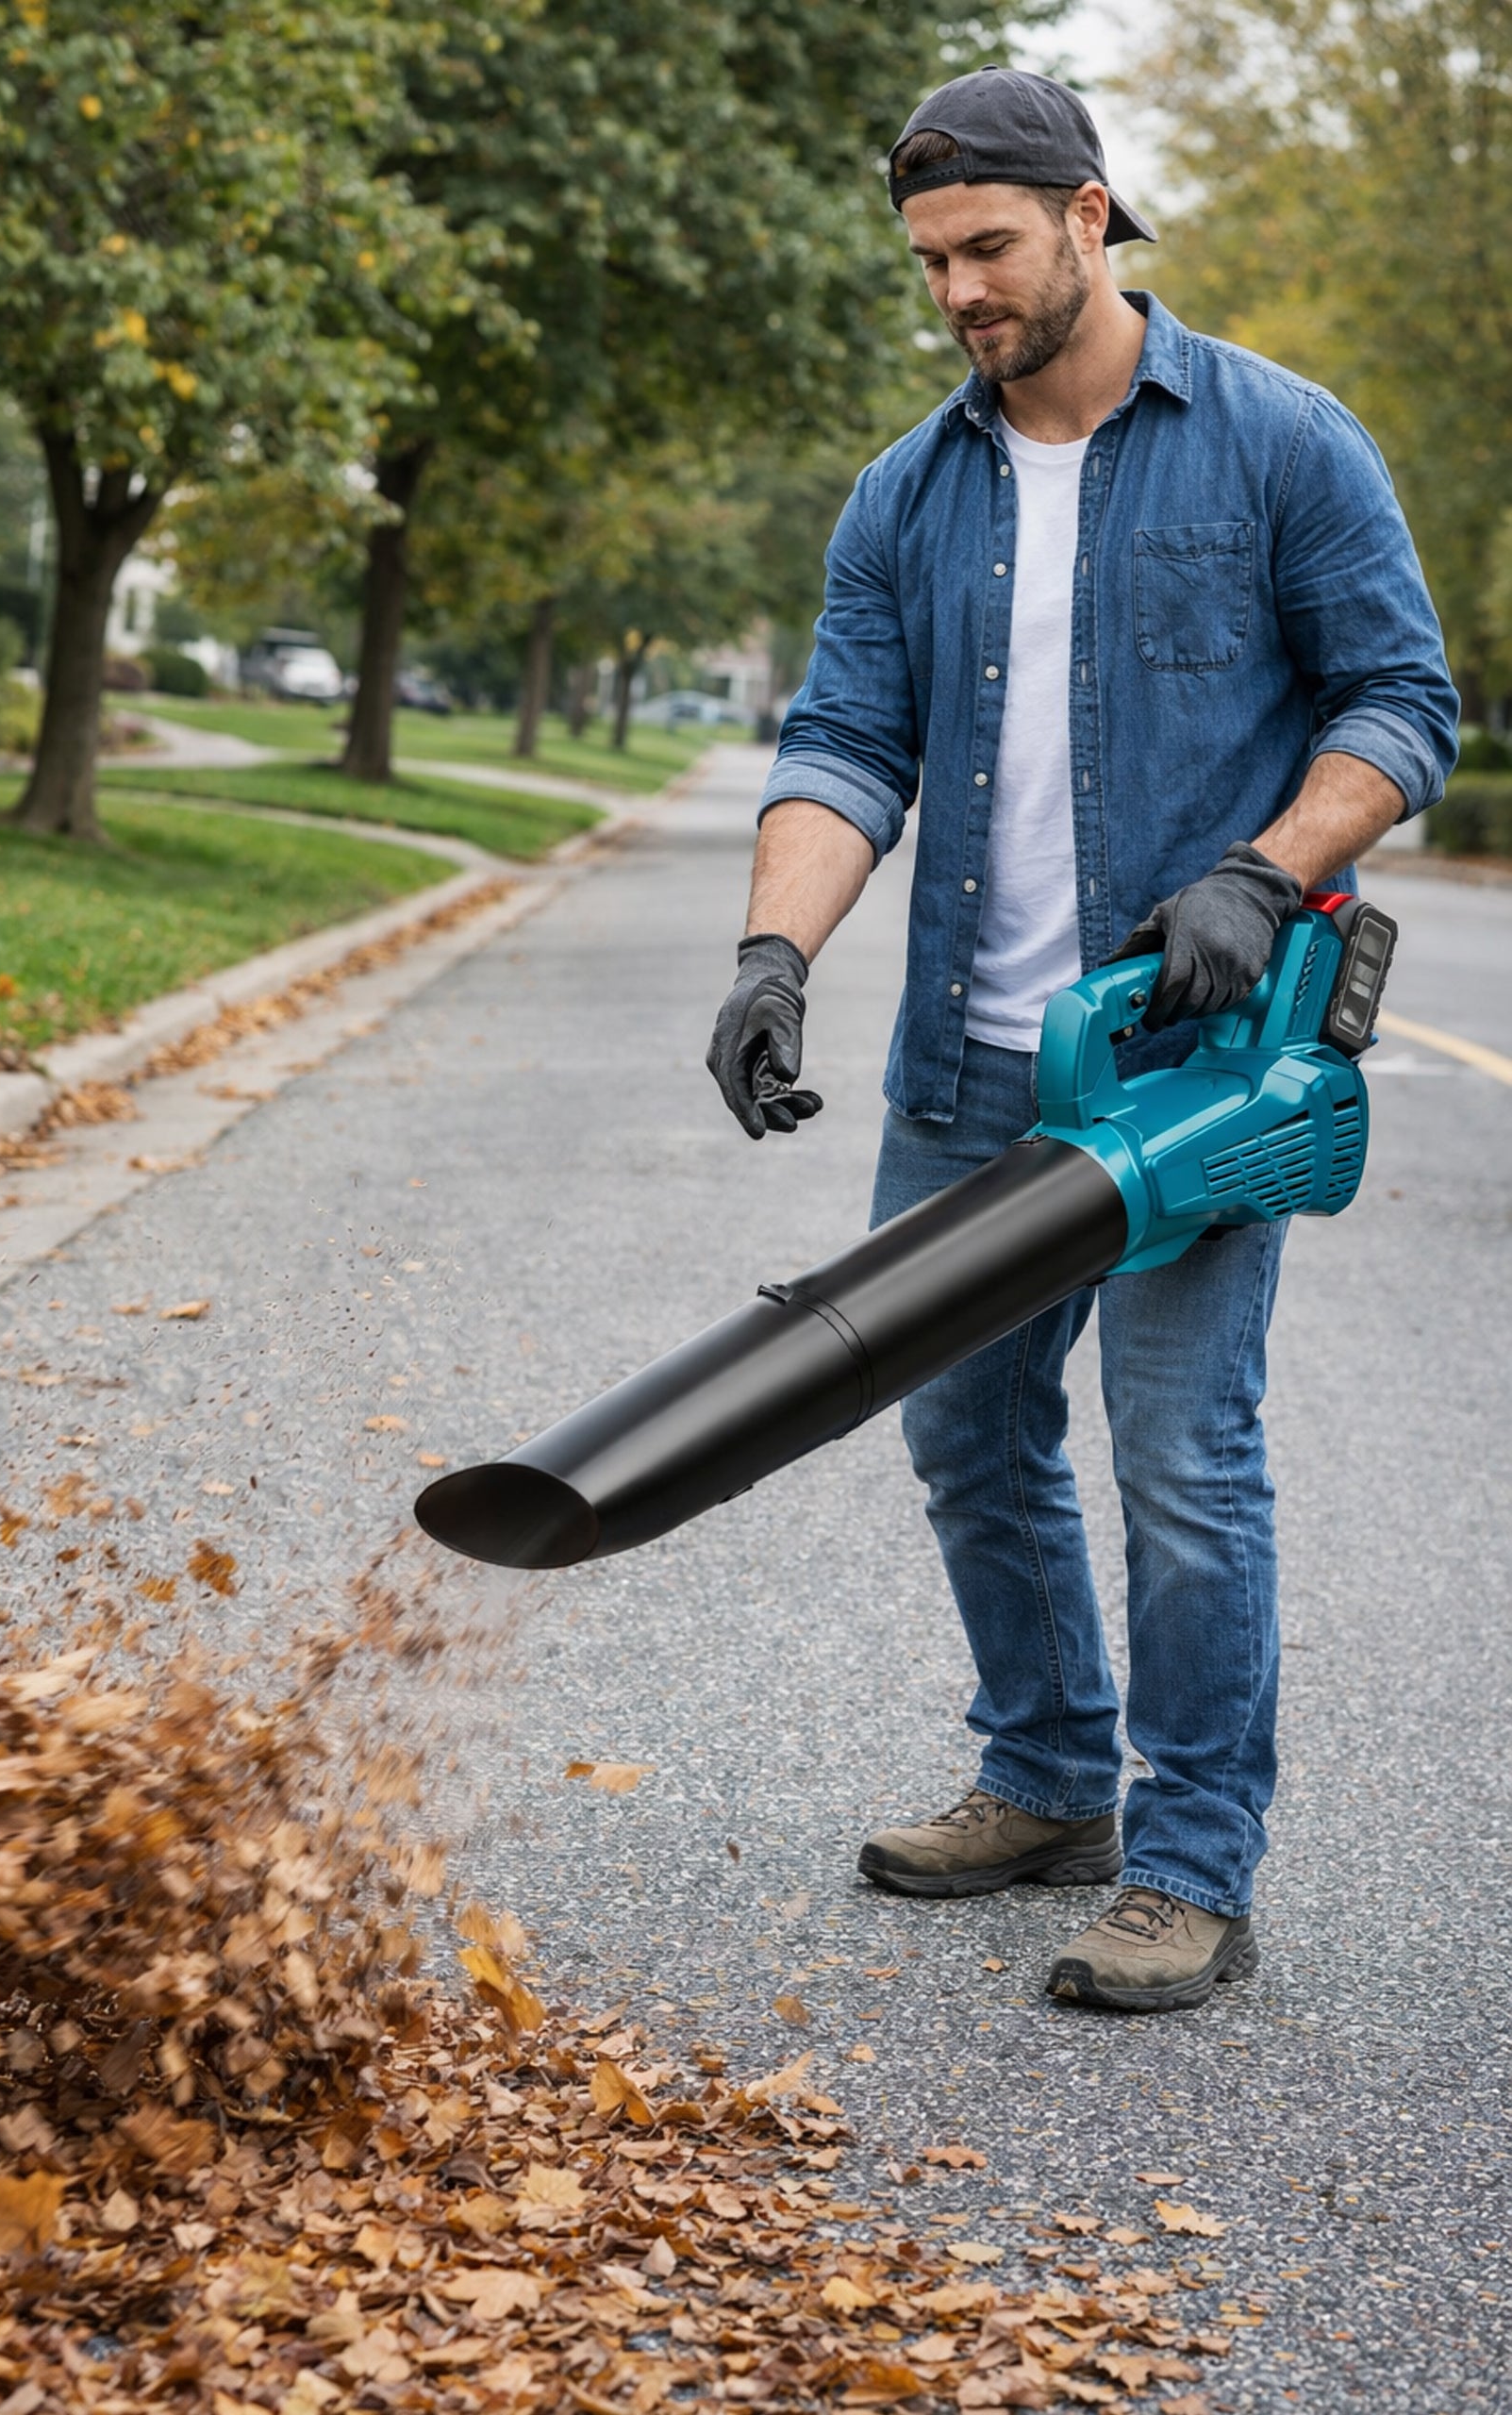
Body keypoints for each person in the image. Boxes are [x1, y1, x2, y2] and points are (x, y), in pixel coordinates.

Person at [707, 66, 1456, 2013]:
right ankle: (1047, 1775)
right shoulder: (907, 489)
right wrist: (771, 953)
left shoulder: (1278, 441)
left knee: (1183, 1458)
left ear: (1088, 215)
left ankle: (1188, 1857)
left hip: (1182, 1062)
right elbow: (843, 742)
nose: (954, 289)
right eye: (926, 261)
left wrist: (1259, 874)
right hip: (965, 1061)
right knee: (961, 1428)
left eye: (984, 247)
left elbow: (1396, 703)